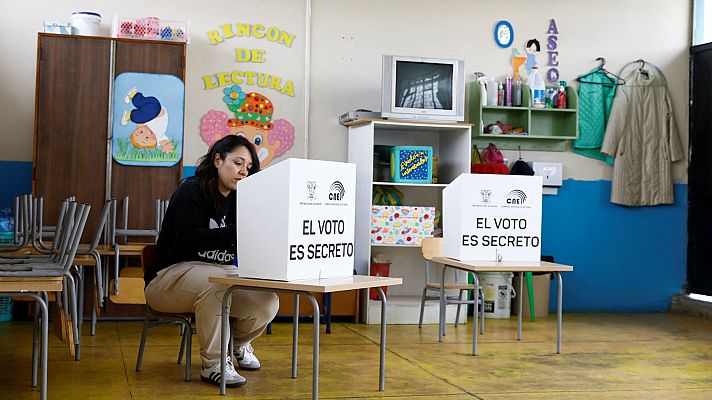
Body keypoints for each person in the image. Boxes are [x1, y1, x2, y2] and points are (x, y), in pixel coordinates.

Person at [144, 135, 279, 388]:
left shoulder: (243, 198)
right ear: (218, 160)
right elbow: (187, 240)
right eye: (237, 163)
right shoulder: (191, 190)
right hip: (170, 277)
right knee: (217, 285)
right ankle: (214, 364)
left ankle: (237, 344)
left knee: (266, 300)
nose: (243, 171)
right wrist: (237, 232)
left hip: (222, 274)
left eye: (248, 167)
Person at [121, 87, 175, 154]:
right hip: (155, 107)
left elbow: (141, 125)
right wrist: (166, 146)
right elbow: (165, 142)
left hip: (153, 108)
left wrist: (140, 126)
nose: (147, 135)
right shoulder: (159, 137)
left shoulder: (145, 123)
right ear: (152, 145)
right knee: (140, 112)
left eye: (141, 132)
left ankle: (134, 96)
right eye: (147, 138)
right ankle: (131, 109)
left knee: (140, 112)